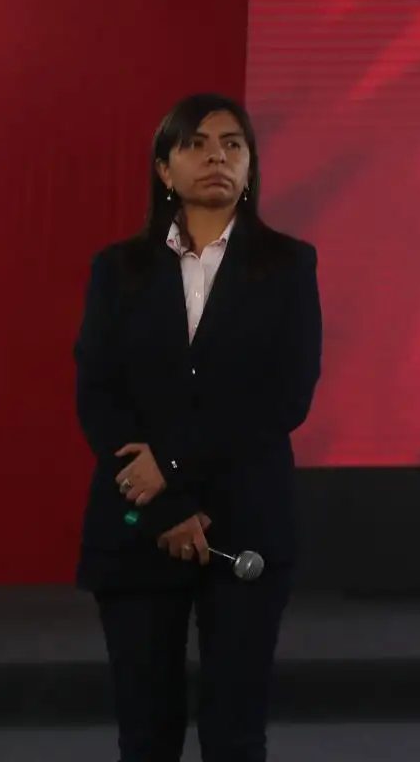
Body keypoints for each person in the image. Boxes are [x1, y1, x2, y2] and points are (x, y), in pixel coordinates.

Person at [73, 94, 322, 762]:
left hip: (245, 523)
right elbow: (99, 395)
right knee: (145, 733)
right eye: (198, 143)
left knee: (234, 733)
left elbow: (284, 399)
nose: (218, 155)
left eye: (234, 144)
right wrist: (170, 501)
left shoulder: (289, 266)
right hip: (139, 523)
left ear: (251, 166)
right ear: (164, 169)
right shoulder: (118, 269)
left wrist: (176, 470)